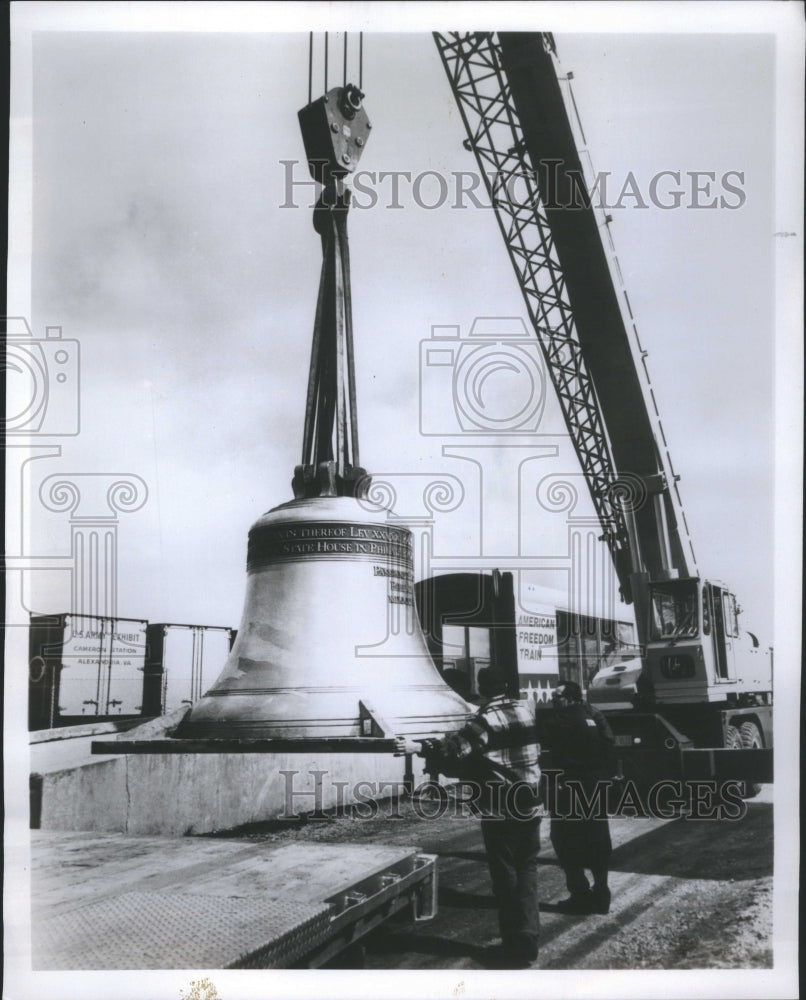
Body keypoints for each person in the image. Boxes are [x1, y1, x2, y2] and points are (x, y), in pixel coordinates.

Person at [395, 666, 541, 968]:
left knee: (504, 871)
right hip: (531, 802)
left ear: (483, 689)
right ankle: (527, 932)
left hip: (500, 805)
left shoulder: (486, 719)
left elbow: (454, 750)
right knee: (527, 866)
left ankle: (513, 941)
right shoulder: (525, 712)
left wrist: (417, 746)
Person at [538, 679, 616, 915]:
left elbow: (546, 752)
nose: (553, 700)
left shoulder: (556, 720)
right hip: (595, 786)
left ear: (571, 698)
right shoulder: (595, 714)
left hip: (568, 788)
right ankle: (602, 893)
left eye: (558, 696)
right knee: (598, 837)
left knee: (563, 838)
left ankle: (580, 893)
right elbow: (609, 742)